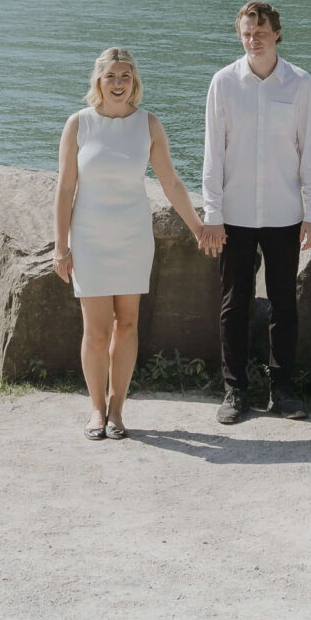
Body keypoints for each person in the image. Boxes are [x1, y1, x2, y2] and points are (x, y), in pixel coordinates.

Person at [53, 45, 212, 440]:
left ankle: (117, 411)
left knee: (127, 324)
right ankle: (95, 409)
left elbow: (172, 183)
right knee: (96, 330)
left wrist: (197, 226)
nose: (119, 84)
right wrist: (61, 246)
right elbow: (65, 187)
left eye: (125, 76)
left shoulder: (149, 125)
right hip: (88, 237)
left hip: (132, 236)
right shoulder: (78, 124)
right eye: (111, 77)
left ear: (134, 82)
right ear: (98, 81)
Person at [200, 0, 311, 425]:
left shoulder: (299, 83)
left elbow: (309, 152)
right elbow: (213, 154)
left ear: (277, 34)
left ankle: (283, 391)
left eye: (261, 31)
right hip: (232, 215)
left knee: (285, 304)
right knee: (235, 304)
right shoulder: (223, 83)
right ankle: (234, 392)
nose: (253, 39)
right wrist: (211, 213)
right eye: (247, 32)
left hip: (285, 213)